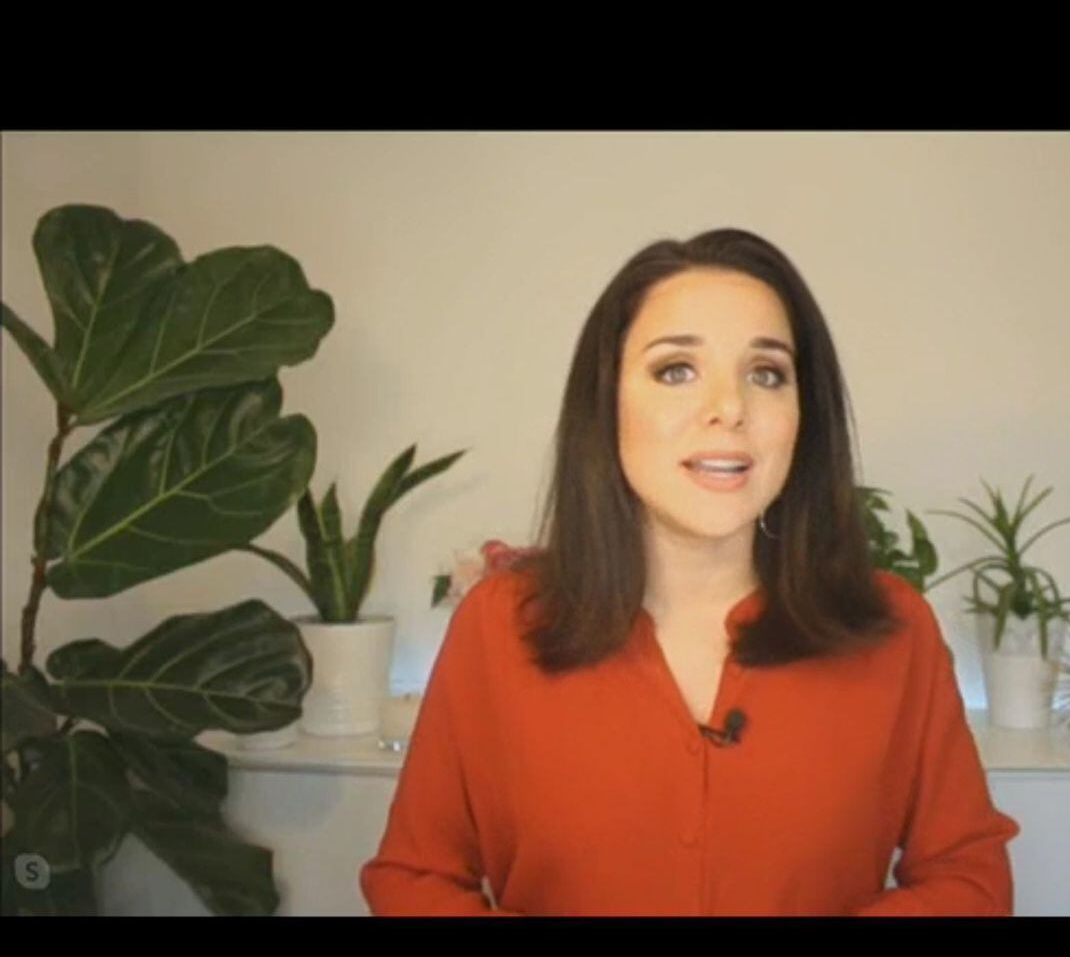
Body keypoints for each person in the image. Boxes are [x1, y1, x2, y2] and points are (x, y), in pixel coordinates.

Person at [360, 228, 1021, 916]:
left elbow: (969, 879)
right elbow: (414, 877)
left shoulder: (892, 628)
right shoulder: (501, 624)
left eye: (767, 374)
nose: (730, 408)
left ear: (803, 416)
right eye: (676, 370)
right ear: (607, 402)